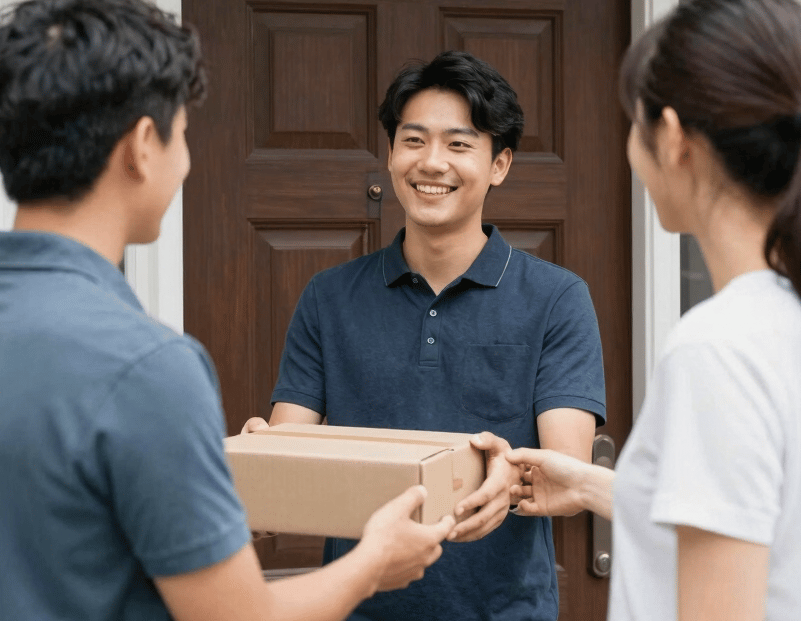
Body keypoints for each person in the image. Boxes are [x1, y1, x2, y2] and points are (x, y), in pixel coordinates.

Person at [0, 1, 455, 620]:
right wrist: (372, 562)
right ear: (142, 146)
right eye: (183, 133)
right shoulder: (147, 366)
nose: (186, 161)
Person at [504, 1, 801, 620]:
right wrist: (586, 483)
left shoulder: (719, 348)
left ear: (671, 136)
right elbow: (769, 525)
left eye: (630, 124)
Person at [242, 50, 607, 621]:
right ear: (390, 156)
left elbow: (565, 467)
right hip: (356, 608)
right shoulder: (328, 296)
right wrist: (262, 460)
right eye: (413, 140)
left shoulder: (558, 298)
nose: (431, 162)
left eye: (459, 144)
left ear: (500, 164)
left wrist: (506, 477)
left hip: (505, 611)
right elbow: (293, 453)